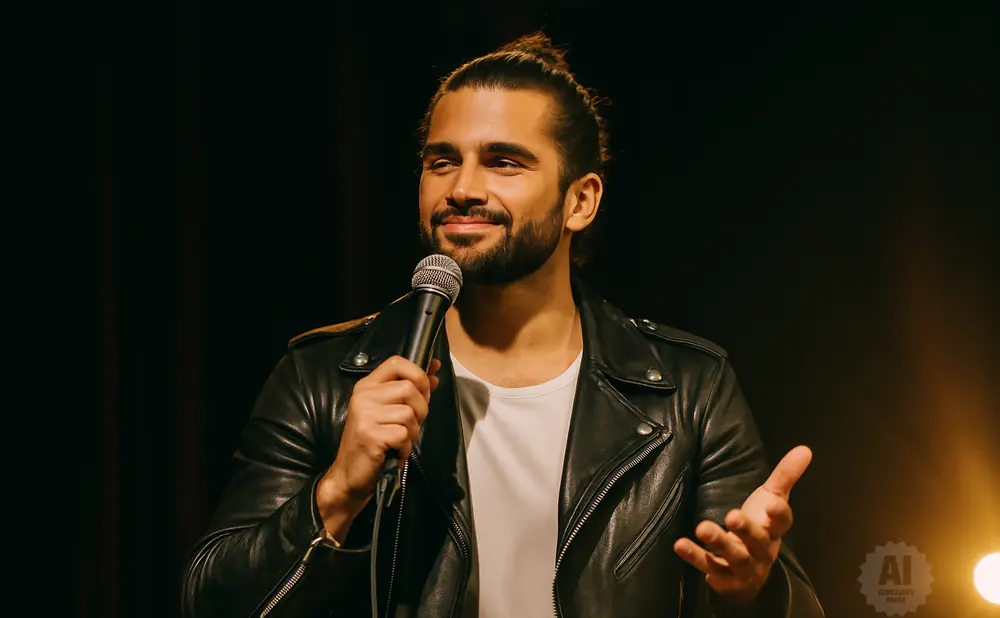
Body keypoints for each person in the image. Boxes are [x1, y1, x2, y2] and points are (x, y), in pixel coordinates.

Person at [181, 33, 825, 618]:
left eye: (504, 162)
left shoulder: (687, 387)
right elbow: (207, 601)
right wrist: (336, 496)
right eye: (441, 161)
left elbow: (781, 598)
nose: (462, 187)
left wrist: (752, 593)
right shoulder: (325, 376)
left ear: (581, 201)